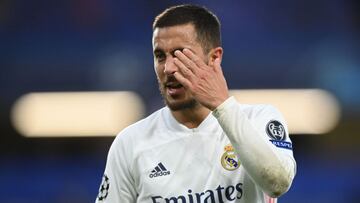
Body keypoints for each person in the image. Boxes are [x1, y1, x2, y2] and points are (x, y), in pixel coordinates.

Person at [96, 4, 296, 203]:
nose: (168, 68)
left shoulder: (260, 119)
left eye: (180, 54)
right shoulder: (130, 143)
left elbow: (277, 183)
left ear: (214, 58)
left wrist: (221, 105)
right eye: (160, 56)